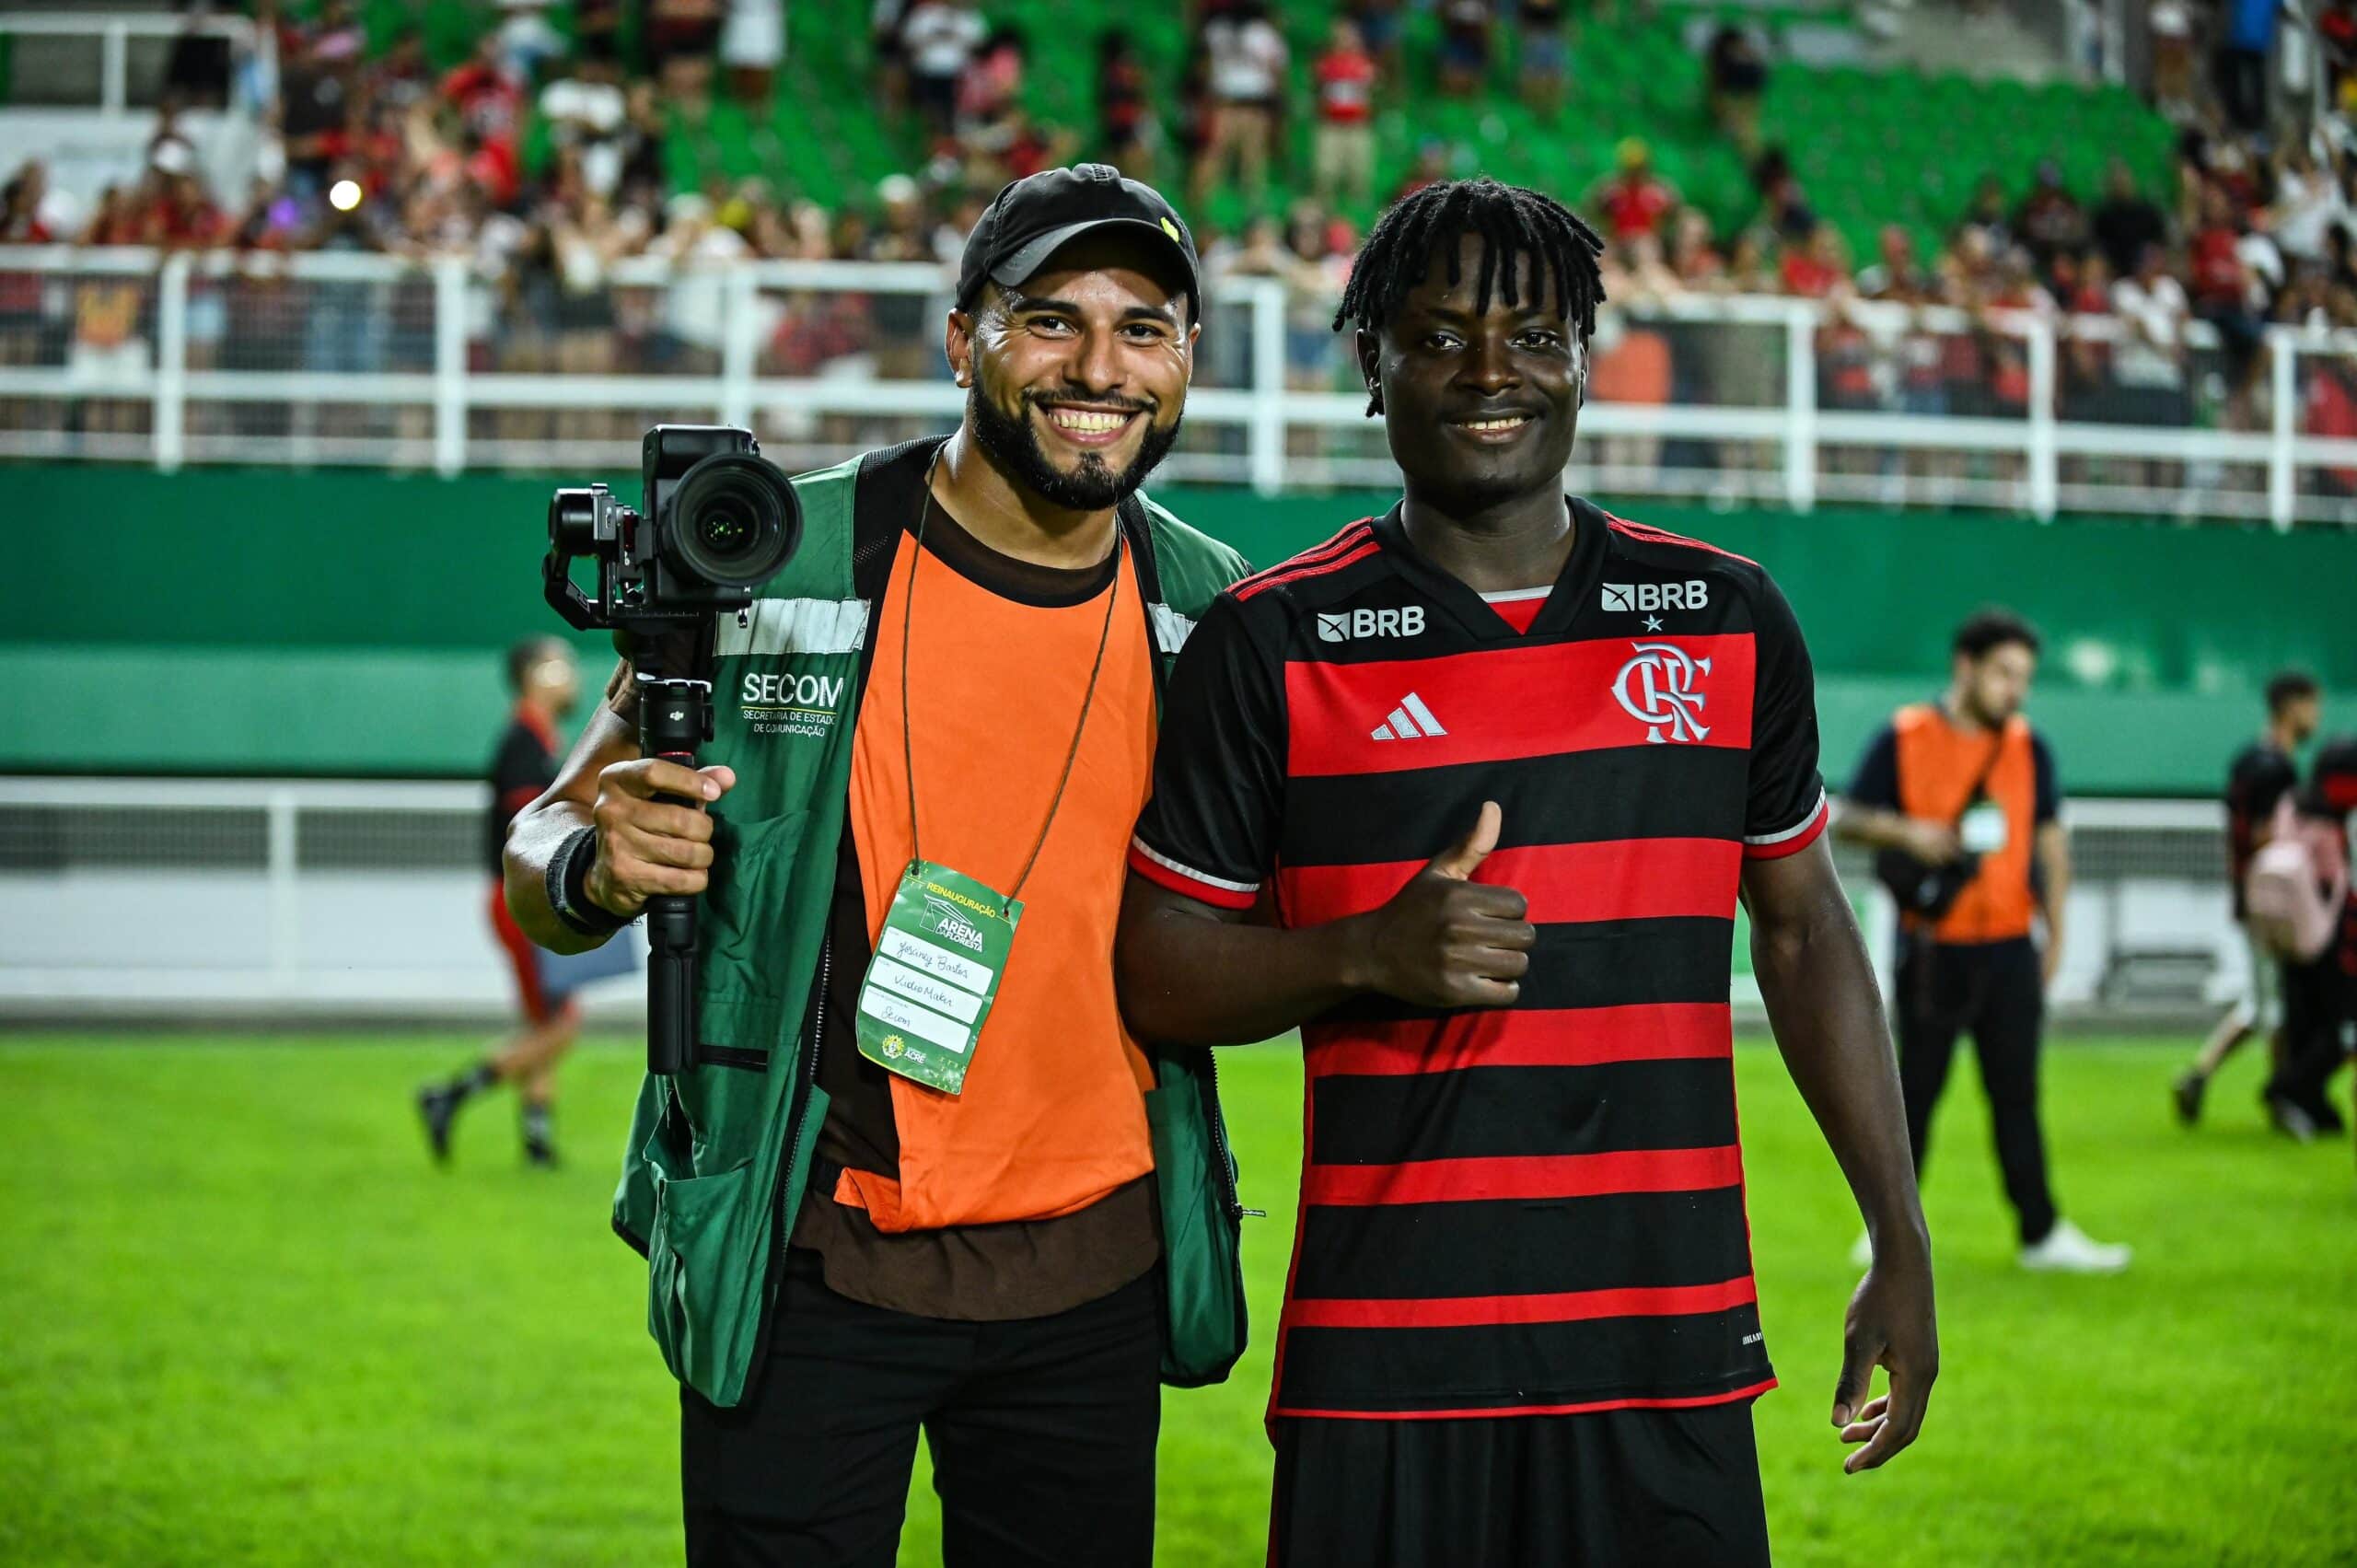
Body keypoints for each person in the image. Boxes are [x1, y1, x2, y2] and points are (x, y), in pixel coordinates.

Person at [1117, 178, 1937, 1568]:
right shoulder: (1272, 639)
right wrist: (1364, 952)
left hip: (1667, 1347)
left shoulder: (1726, 618)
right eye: (1439, 337)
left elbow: (1803, 931)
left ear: (1584, 359)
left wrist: (1898, 1236)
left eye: (1535, 336)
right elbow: (1154, 968)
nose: (1491, 372)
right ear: (1371, 361)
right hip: (1387, 1360)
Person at [502, 165, 1251, 1568]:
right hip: (810, 1261)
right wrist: (596, 861)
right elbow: (536, 845)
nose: (1101, 368)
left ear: (1187, 358)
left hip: (1093, 1278)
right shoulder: (769, 559)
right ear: (963, 340)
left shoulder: (1212, 612)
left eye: (1143, 328)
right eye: (1051, 319)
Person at [1839, 610, 2131, 1273]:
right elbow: (1846, 817)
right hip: (1932, 948)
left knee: (2017, 1096)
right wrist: (1908, 833)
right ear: (1965, 667)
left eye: (2023, 677)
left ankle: (2041, 1234)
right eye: (2003, 673)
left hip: (2009, 948)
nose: (2015, 689)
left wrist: (2056, 934)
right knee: (1914, 1095)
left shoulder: (2030, 748)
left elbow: (2051, 846)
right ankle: (1886, 1234)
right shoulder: (1906, 735)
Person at [417, 638, 607, 1167]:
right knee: (561, 1026)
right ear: (536, 676)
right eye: (562, 665)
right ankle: (451, 1095)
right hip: (523, 900)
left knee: (543, 1020)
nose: (572, 675)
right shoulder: (524, 745)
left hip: (523, 898)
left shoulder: (537, 740)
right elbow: (529, 834)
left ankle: (537, 1144)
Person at [2176, 670, 2322, 1126]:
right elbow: (2265, 836)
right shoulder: (2276, 769)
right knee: (2274, 1004)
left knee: (2263, 1001)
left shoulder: (2247, 759)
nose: (2316, 716)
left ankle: (2204, 1074)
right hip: (2273, 901)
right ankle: (2283, 1098)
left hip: (2251, 895)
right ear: (2291, 706)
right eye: (2311, 706)